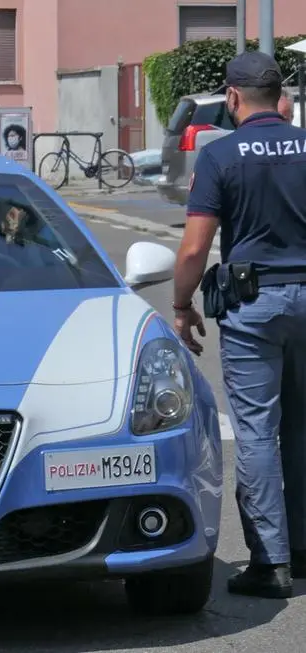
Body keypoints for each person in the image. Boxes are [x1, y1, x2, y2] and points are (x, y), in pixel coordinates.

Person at [172, 51, 306, 600]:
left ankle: (270, 562)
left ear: (231, 97)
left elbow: (194, 249)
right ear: (281, 96)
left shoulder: (221, 155)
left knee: (256, 432)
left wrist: (181, 307)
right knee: (301, 428)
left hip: (255, 310)